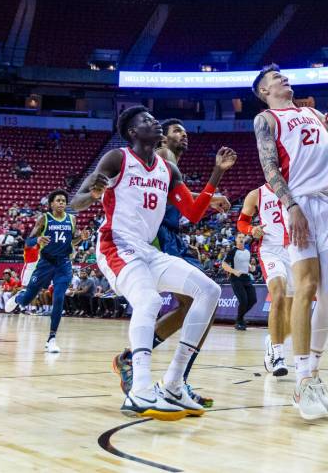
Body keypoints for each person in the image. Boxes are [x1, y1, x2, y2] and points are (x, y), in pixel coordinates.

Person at [71, 106, 236, 421]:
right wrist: (93, 194)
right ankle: (141, 389)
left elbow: (193, 213)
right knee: (149, 300)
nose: (155, 122)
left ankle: (173, 383)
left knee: (209, 291)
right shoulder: (117, 158)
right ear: (133, 132)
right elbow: (78, 200)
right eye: (146, 120)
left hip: (147, 250)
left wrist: (217, 173)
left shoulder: (167, 169)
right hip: (115, 245)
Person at [112, 118, 231, 409]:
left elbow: (188, 209)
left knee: (197, 304)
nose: (184, 134)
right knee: (202, 301)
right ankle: (173, 381)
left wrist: (210, 196)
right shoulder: (162, 156)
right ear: (163, 138)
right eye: (178, 130)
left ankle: (150, 368)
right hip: (156, 240)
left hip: (171, 237)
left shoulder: (170, 166)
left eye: (186, 130)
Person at [252, 64, 328, 421]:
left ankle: (314, 373)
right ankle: (301, 379)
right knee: (305, 287)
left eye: (283, 74)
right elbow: (270, 167)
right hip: (302, 203)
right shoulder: (266, 119)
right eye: (274, 78)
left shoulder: (309, 111)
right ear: (264, 90)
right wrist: (290, 204)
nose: (282, 78)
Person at [5, 190, 88, 352]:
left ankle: (52, 338)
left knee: (58, 298)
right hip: (45, 263)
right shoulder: (44, 219)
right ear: (51, 204)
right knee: (28, 299)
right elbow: (28, 241)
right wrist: (38, 239)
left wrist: (81, 239)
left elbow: (71, 243)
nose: (61, 203)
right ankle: (19, 298)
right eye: (58, 200)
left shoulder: (72, 219)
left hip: (63, 265)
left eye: (64, 200)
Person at [237, 184, 293, 376]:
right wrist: (252, 229)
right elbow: (241, 222)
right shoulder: (257, 193)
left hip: (295, 250)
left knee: (292, 319)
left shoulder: (296, 186)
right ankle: (278, 355)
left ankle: (272, 340)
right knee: (278, 295)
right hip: (271, 250)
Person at [222, 234, 257, 331]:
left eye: (242, 237)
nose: (241, 239)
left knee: (253, 300)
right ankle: (239, 321)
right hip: (236, 278)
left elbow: (245, 262)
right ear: (236, 240)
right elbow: (224, 265)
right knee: (243, 301)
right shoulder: (233, 251)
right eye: (239, 237)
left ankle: (239, 318)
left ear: (245, 240)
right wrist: (234, 271)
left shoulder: (247, 251)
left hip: (246, 278)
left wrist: (251, 267)